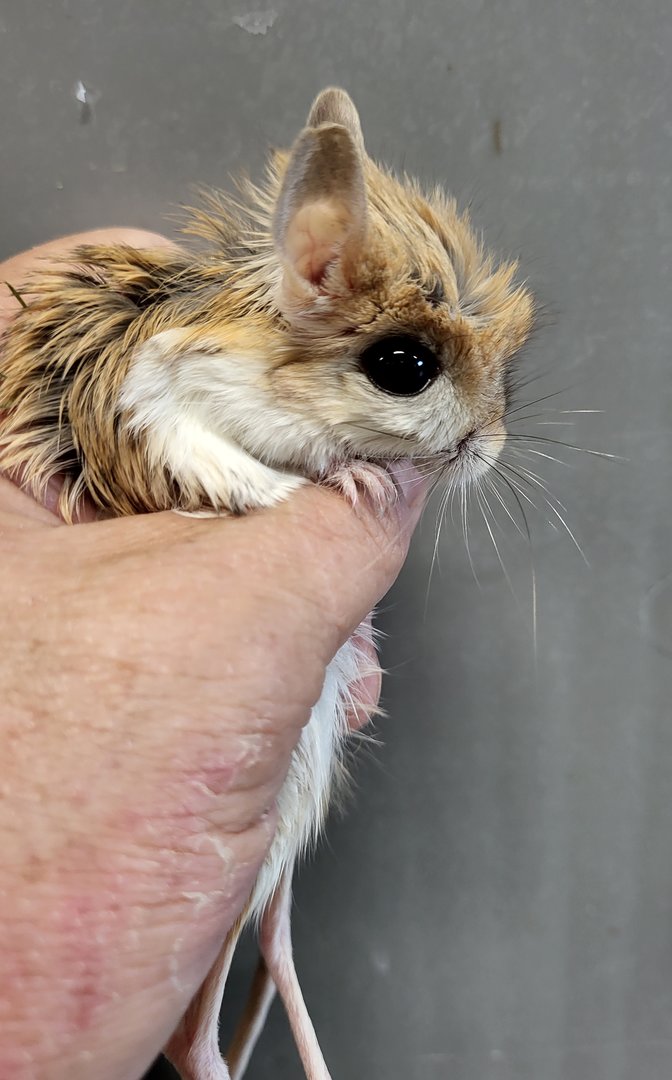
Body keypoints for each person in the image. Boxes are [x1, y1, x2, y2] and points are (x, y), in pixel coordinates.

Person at [0, 230, 426, 1079]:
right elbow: (178, 422)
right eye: (405, 368)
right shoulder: (190, 367)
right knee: (265, 932)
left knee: (272, 922)